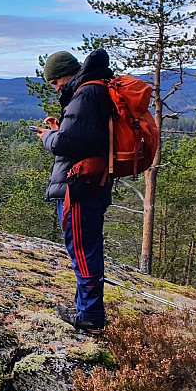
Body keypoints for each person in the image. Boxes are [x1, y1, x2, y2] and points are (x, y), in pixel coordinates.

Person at [34, 49, 114, 335]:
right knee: (86, 248)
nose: (55, 88)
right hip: (89, 182)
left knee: (83, 251)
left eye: (54, 82)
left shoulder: (86, 93)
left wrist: (49, 137)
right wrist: (60, 127)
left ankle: (90, 317)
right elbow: (82, 136)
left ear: (63, 75)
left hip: (80, 187)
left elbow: (64, 145)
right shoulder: (93, 90)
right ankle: (85, 309)